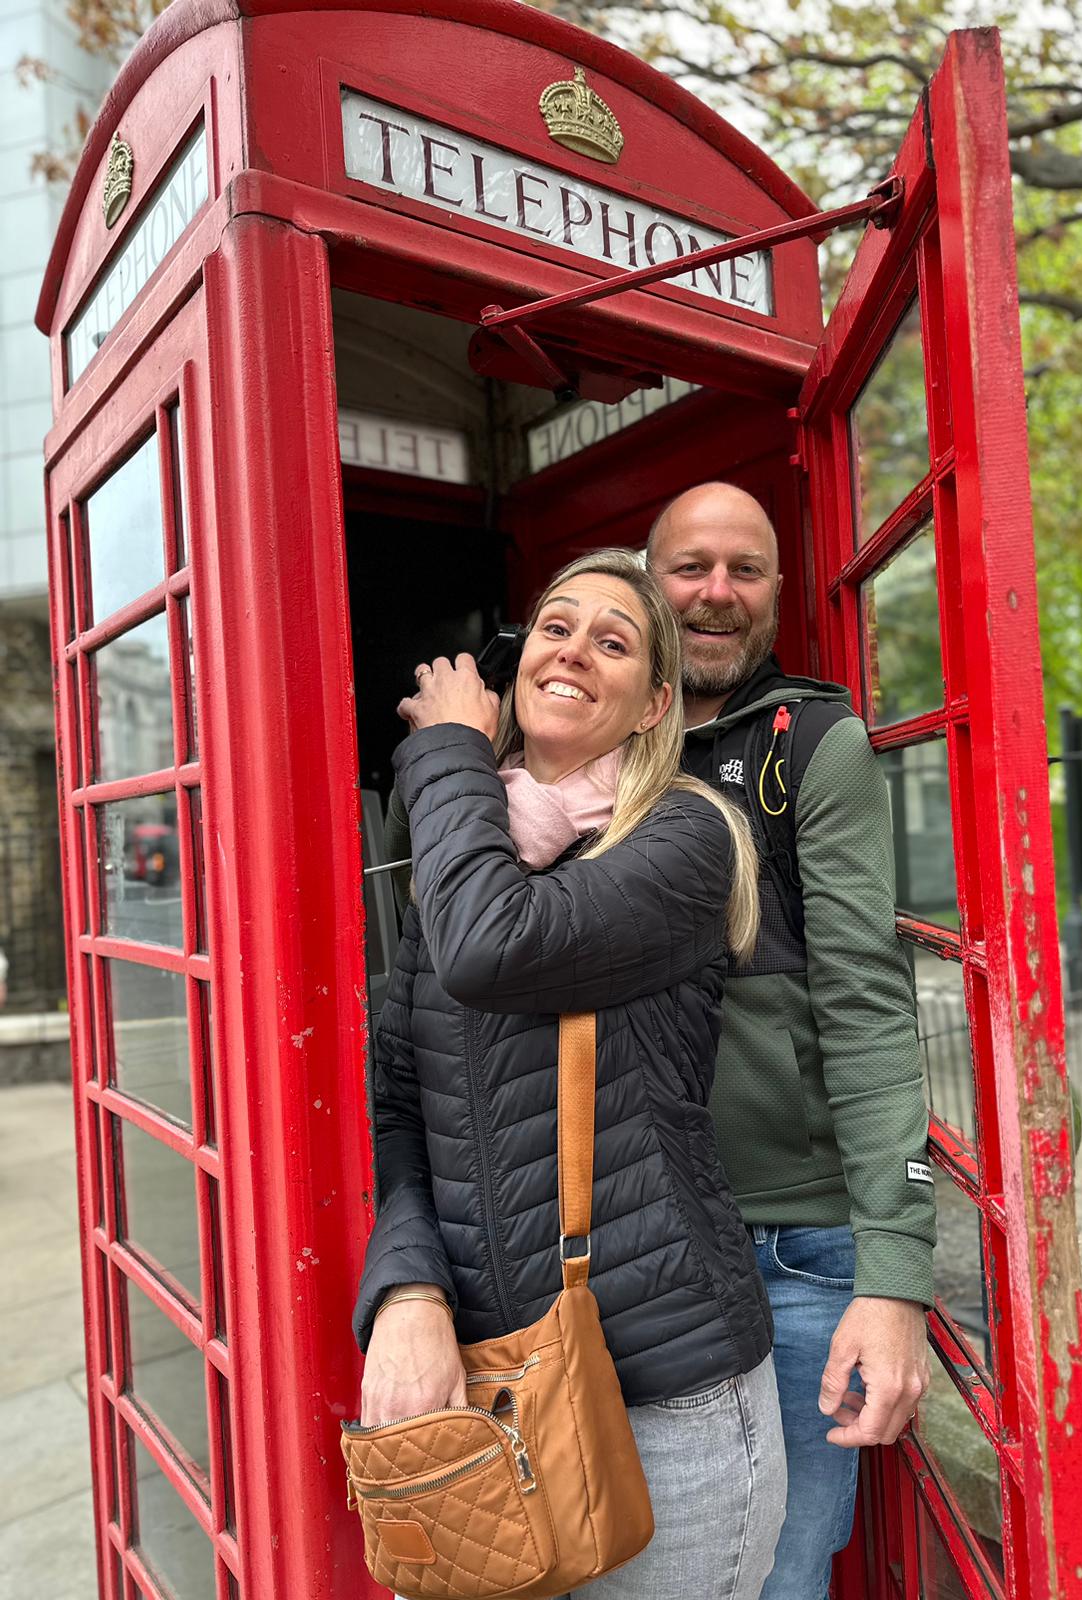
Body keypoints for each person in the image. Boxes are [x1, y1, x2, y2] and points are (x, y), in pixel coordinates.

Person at [355, 548, 787, 1600]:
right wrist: (406, 1288)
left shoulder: (686, 836)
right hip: (480, 1395)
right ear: (519, 662)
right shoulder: (461, 855)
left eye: (614, 642)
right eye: (556, 626)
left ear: (654, 705)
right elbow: (397, 1106)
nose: (575, 651)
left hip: (665, 1408)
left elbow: (492, 947)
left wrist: (450, 747)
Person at [646, 482, 935, 1600]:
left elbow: (867, 1002)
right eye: (691, 567)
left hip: (797, 1249)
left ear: (776, 590)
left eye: (746, 569)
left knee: (782, 1572)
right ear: (646, 581)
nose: (717, 592)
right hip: (632, 1242)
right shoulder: (583, 742)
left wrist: (894, 1274)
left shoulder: (813, 742)